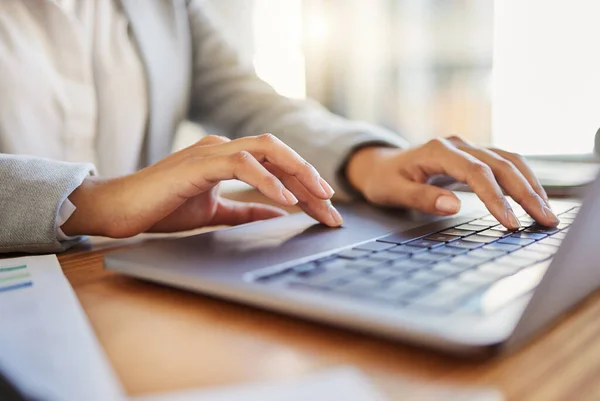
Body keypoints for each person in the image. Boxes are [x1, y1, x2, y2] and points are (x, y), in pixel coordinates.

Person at [0, 0, 558, 254]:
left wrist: (369, 161)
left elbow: (251, 103)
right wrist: (93, 200)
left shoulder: (164, 8)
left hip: (108, 278)